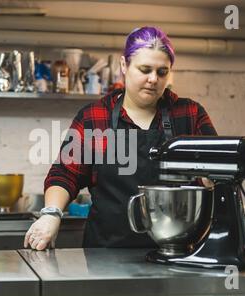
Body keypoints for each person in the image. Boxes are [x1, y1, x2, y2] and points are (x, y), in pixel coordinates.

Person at [24, 26, 217, 251]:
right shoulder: (94, 117)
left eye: (162, 72)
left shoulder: (189, 115)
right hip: (106, 254)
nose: (153, 79)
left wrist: (213, 177)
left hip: (178, 252)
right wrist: (51, 213)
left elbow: (218, 172)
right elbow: (65, 174)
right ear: (124, 65)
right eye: (145, 69)